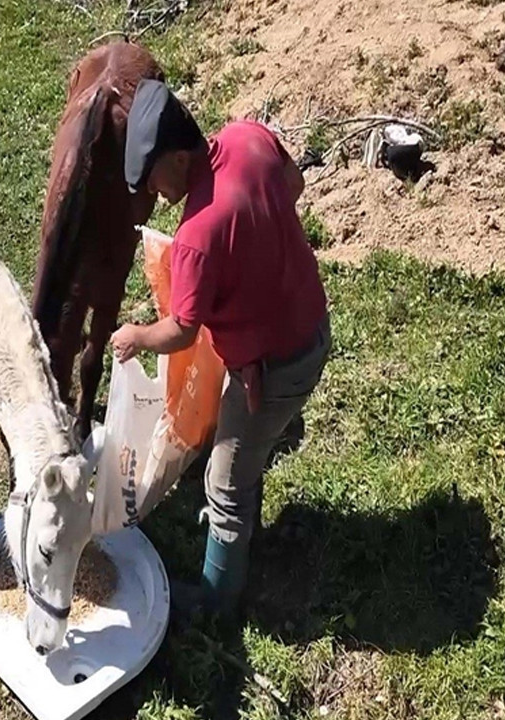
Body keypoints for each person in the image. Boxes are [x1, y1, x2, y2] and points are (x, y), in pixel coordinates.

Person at [110, 79, 331, 625]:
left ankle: (217, 603)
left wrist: (136, 334)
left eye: (154, 177)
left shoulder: (196, 237)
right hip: (310, 323)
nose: (152, 193)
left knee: (224, 483)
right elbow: (294, 183)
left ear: (180, 158)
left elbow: (183, 331)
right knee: (245, 452)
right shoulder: (247, 138)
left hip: (277, 365)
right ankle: (240, 540)